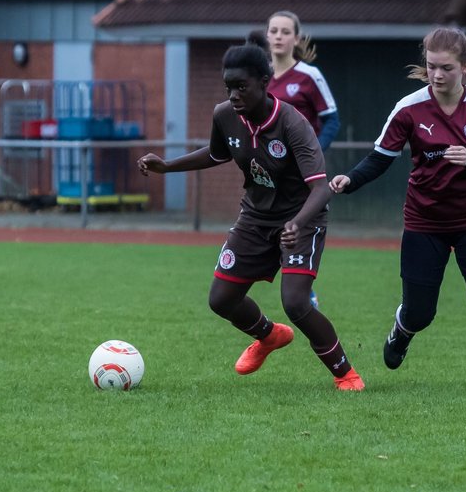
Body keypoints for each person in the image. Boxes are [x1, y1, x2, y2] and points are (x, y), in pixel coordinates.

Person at [137, 43, 364, 392]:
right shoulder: (224, 115)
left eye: (241, 86)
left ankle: (345, 374)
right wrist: (167, 167)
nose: (234, 94)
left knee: (296, 303)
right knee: (221, 299)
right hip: (255, 217)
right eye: (229, 86)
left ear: (264, 81)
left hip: (302, 218)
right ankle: (268, 336)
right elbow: (216, 154)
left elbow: (321, 189)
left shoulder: (293, 123)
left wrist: (297, 224)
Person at [330, 26, 466, 389]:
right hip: (424, 221)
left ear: (465, 66)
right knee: (420, 312)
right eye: (431, 66)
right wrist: (350, 180)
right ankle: (403, 330)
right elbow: (379, 159)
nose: (437, 75)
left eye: (446, 67)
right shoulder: (409, 108)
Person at [260, 11, 340, 309]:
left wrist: (313, 154)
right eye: (274, 31)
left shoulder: (309, 76)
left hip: (302, 175)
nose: (279, 36)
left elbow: (332, 120)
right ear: (267, 36)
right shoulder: (261, 78)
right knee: (266, 229)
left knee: (298, 227)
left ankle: (304, 290)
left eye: (285, 31)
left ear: (296, 38)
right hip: (269, 173)